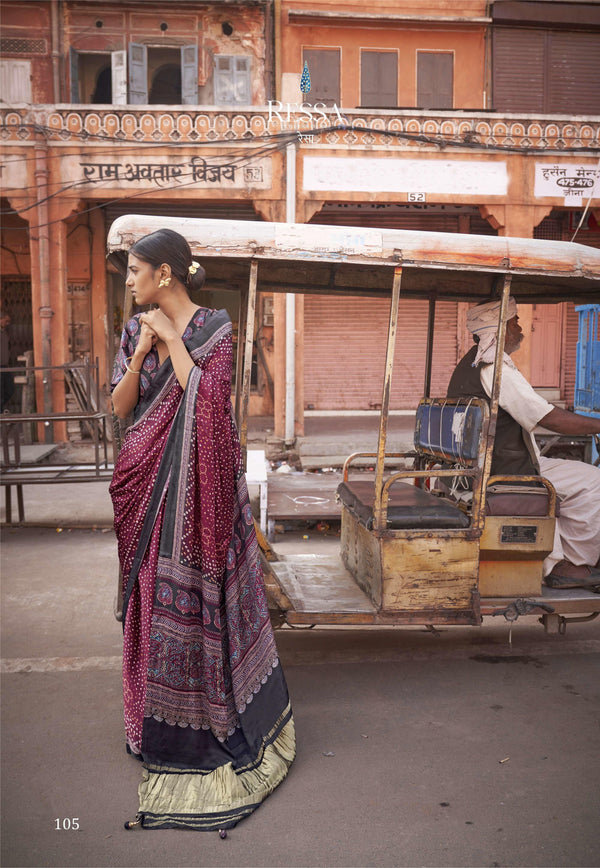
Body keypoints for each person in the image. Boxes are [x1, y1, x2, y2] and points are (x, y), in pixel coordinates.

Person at [110, 228, 295, 832]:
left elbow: (212, 408)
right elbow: (119, 409)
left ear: (165, 274)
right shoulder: (131, 331)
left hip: (199, 499)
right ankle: (149, 719)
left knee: (188, 602)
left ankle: (201, 724)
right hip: (145, 487)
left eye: (135, 271)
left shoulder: (216, 329)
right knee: (148, 598)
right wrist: (142, 352)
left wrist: (174, 344)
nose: (128, 280)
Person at [447, 296, 600, 589]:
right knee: (593, 482)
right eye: (515, 322)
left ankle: (560, 555)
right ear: (500, 327)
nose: (521, 329)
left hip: (489, 462)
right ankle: (566, 565)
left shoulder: (471, 362)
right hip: (503, 468)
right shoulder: (493, 367)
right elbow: (547, 417)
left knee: (577, 475)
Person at [0, 309, 15, 411]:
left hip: (4, 365)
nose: (7, 324)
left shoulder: (4, 333)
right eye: (6, 321)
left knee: (9, 389)